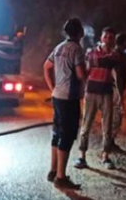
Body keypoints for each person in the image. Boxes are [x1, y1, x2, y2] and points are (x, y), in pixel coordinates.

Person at [43, 18, 88, 190]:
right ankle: (61, 177)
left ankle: (53, 170)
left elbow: (46, 66)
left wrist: (52, 88)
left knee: (57, 132)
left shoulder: (59, 47)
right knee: (67, 135)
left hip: (57, 96)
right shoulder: (76, 49)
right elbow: (80, 75)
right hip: (69, 98)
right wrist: (89, 70)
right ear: (79, 33)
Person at [74, 27, 117, 170]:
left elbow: (101, 61)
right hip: (91, 92)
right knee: (86, 124)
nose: (108, 40)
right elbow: (94, 61)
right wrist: (103, 59)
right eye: (106, 37)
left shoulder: (113, 55)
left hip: (106, 92)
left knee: (107, 127)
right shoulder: (92, 53)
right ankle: (82, 156)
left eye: (111, 38)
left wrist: (100, 60)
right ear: (101, 38)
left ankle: (105, 156)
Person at [111, 32, 126, 152]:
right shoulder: (117, 55)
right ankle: (109, 143)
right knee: (116, 115)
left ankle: (109, 142)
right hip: (116, 89)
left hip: (116, 88)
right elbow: (118, 74)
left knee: (114, 115)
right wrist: (119, 92)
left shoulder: (117, 54)